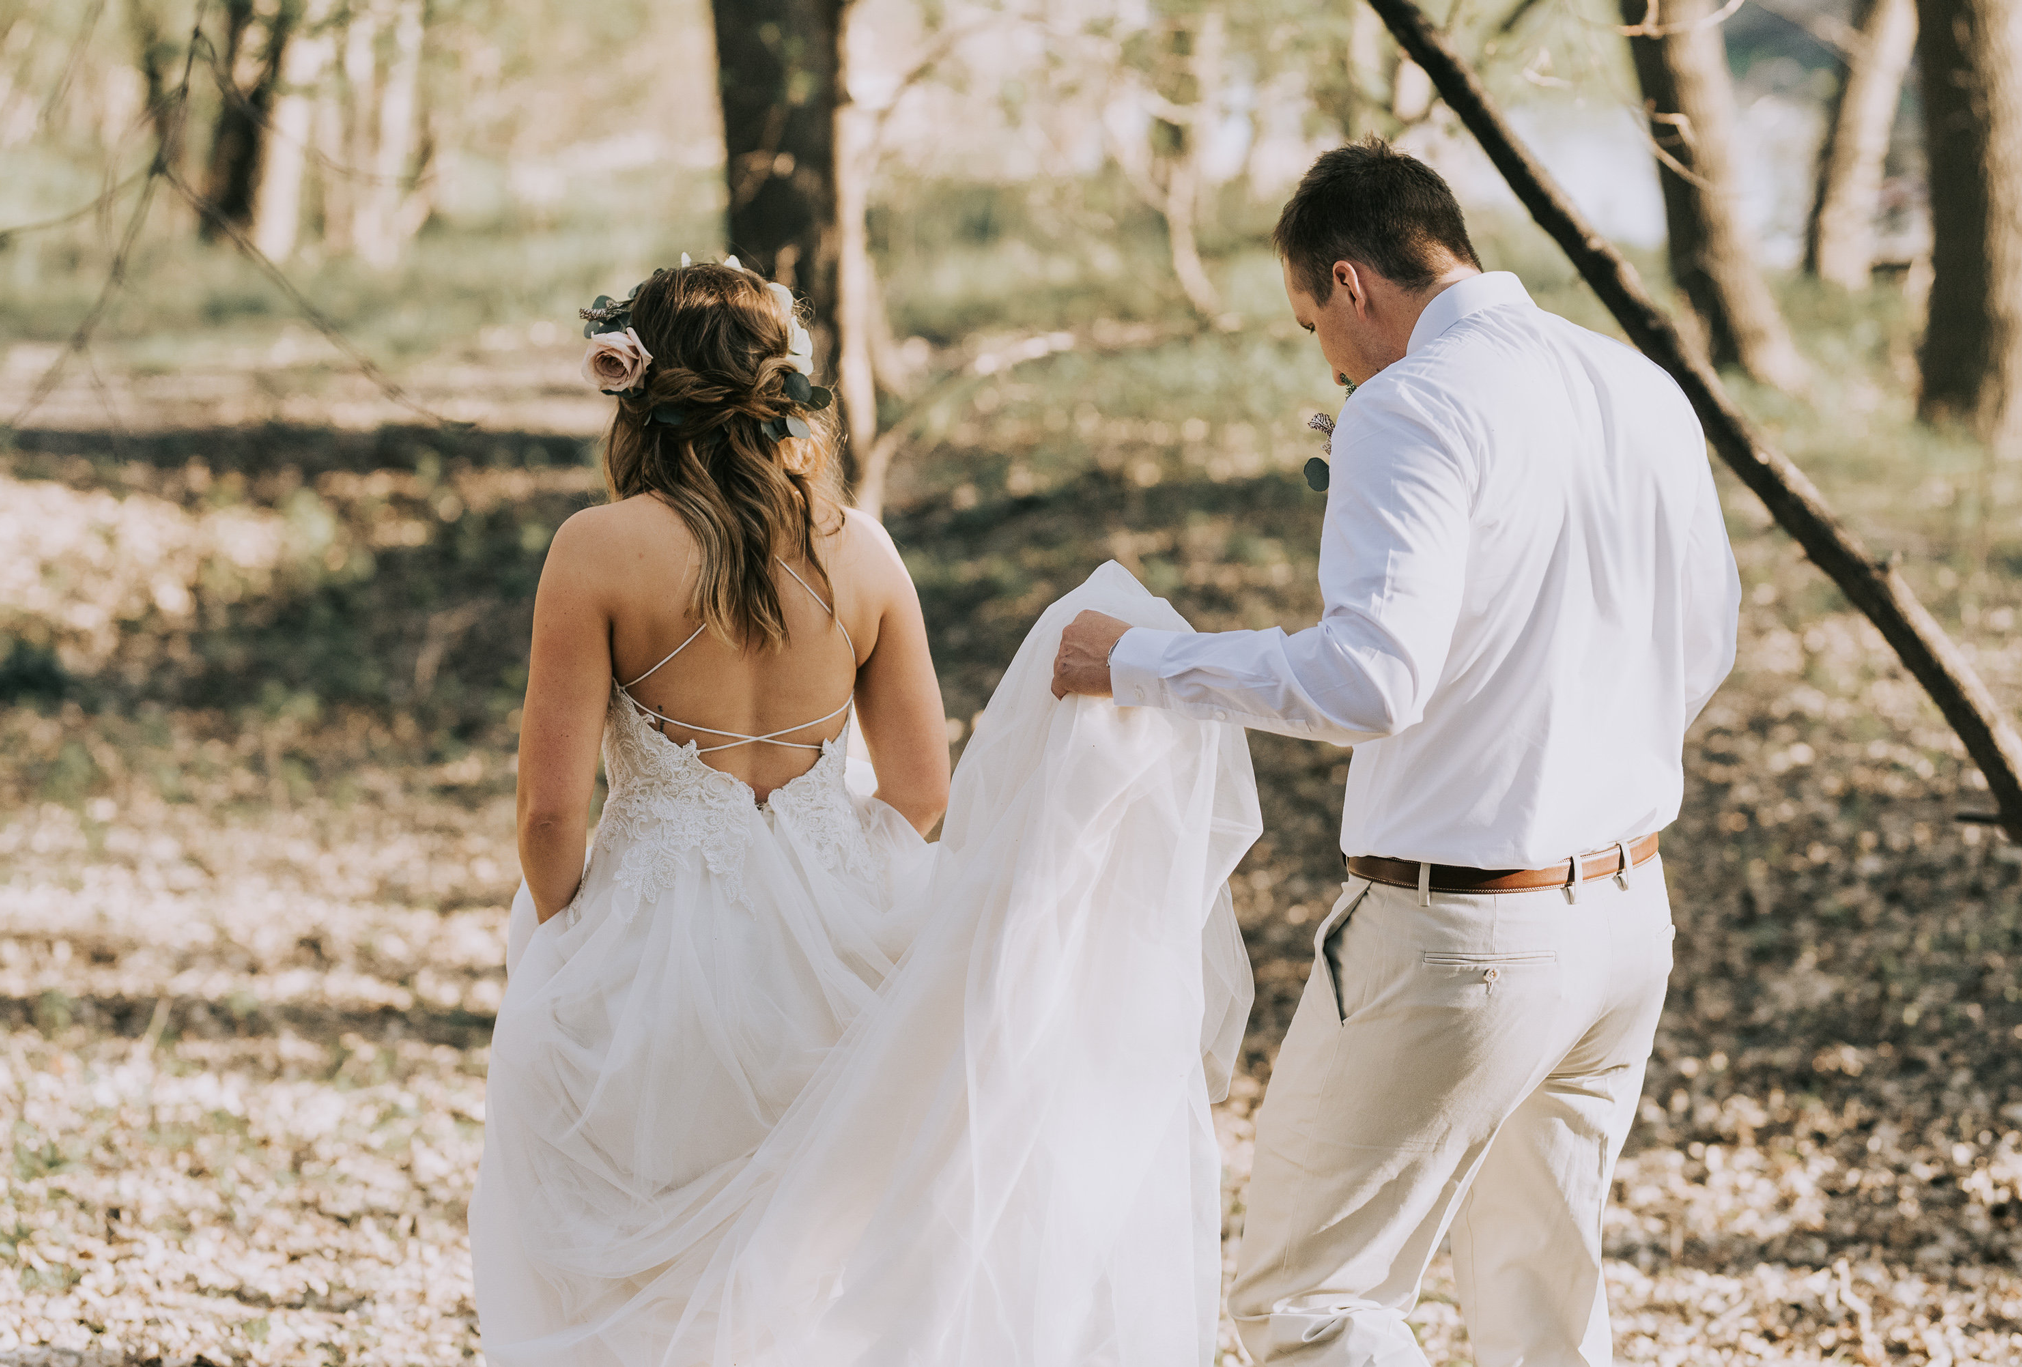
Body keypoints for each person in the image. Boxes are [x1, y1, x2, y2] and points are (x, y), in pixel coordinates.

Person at [469, 260, 1262, 1367]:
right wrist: (824, 850)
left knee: (635, 1260)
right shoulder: (862, 550)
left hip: (649, 942)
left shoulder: (597, 549)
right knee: (805, 1252)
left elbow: (550, 814)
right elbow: (923, 788)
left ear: (638, 389)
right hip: (841, 938)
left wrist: (569, 941)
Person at [1052, 138, 1741, 1365]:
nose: (1323, 352)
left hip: (1458, 934)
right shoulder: (1636, 383)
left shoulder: (1411, 404)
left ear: (1351, 281)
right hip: (1626, 913)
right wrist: (1567, 754)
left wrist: (1140, 664)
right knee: (1542, 1306)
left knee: (1309, 1301)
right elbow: (1703, 642)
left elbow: (1369, 679)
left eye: (1310, 316)